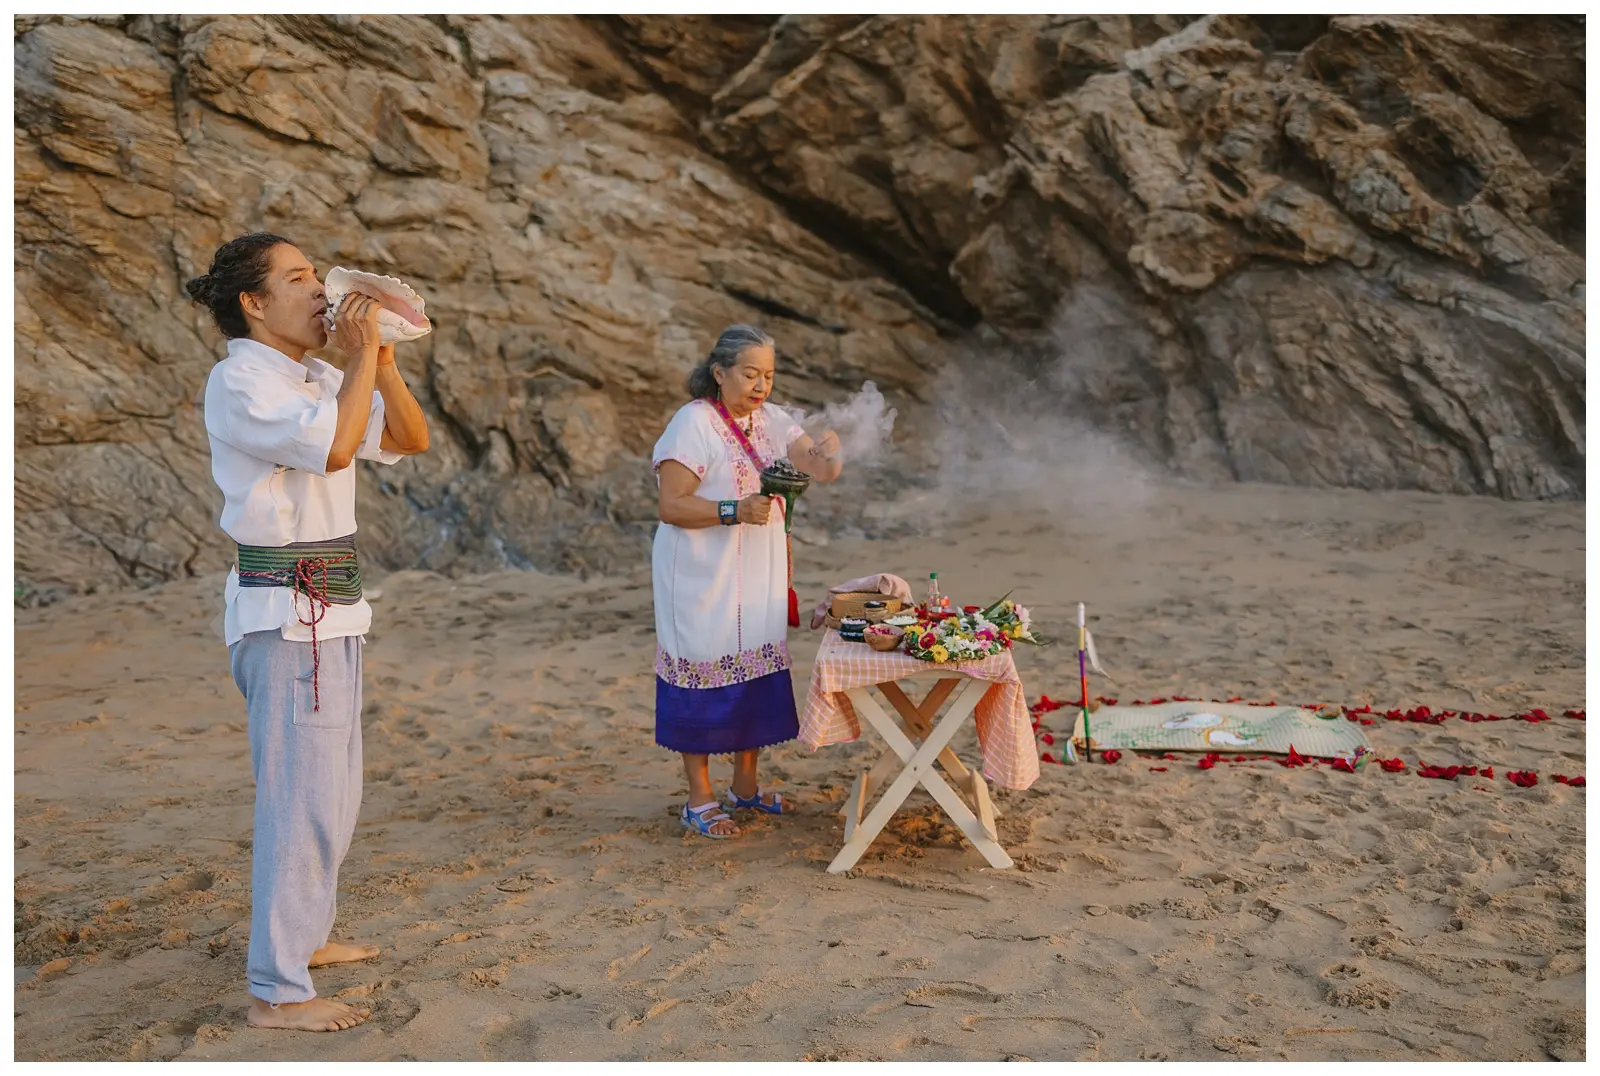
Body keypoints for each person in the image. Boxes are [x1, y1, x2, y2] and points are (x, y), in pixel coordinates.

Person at [187, 233, 430, 1032]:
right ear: (254, 304)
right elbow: (330, 450)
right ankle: (276, 992)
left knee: (336, 793)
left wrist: (381, 358)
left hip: (333, 607)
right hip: (285, 614)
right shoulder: (238, 380)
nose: (321, 292)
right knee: (301, 802)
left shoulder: (317, 373)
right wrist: (358, 362)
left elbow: (408, 440)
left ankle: (304, 940)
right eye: (298, 279)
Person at [652, 325, 843, 838]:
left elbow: (820, 470)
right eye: (751, 374)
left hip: (757, 574)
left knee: (752, 671)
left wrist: (830, 449)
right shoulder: (692, 424)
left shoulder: (774, 420)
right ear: (720, 373)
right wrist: (735, 509)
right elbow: (671, 504)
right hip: (699, 574)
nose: (761, 385)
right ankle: (699, 799)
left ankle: (744, 789)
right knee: (702, 672)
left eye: (769, 376)